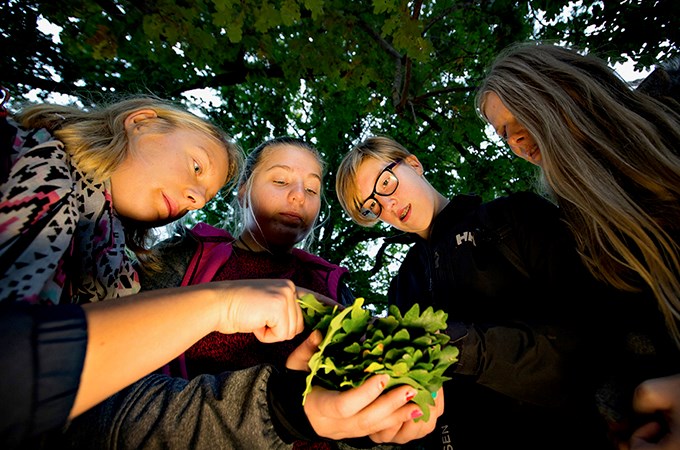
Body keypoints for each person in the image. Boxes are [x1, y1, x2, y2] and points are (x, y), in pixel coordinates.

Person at [56, 137, 443, 449]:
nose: (298, 196)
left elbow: (350, 402)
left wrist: (383, 425)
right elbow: (101, 388)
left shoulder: (330, 287)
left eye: (312, 188)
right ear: (242, 190)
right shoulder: (183, 258)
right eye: (280, 181)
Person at [0, 95, 310, 448]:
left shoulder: (120, 279)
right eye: (197, 167)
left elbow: (113, 415)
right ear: (141, 122)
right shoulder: (15, 153)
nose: (195, 200)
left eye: (204, 199)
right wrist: (219, 305)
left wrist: (289, 405)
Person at [335, 136, 680, 449]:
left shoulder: (513, 216)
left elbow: (597, 331)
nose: (388, 205)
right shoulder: (401, 288)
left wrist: (458, 346)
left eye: (386, 183)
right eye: (372, 207)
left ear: (413, 164)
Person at [475, 42, 680, 447]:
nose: (515, 138)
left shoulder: (670, 101)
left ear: (564, 85)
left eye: (521, 110)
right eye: (503, 132)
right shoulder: (576, 226)